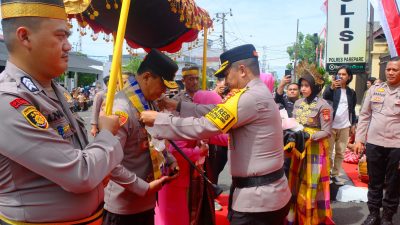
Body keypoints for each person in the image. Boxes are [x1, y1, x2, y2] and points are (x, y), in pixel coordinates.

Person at [0, 0, 124, 223]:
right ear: (25, 37)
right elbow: (81, 174)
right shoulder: (7, 100)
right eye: (60, 36)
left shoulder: (52, 89)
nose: (68, 46)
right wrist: (106, 134)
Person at [141, 44, 291, 225]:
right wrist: (178, 106)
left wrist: (160, 119)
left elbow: (207, 125)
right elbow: (216, 110)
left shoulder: (249, 98)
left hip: (258, 202)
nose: (226, 81)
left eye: (227, 74)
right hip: (267, 195)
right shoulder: (257, 93)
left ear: (242, 70)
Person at [102, 49, 179, 225]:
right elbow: (109, 162)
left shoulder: (148, 102)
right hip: (123, 207)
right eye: (163, 85)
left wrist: (169, 158)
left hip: (147, 200)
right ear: (146, 77)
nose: (164, 91)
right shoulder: (121, 108)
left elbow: (155, 140)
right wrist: (143, 187)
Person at [354, 57, 400, 225]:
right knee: (374, 181)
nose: (390, 72)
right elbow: (365, 116)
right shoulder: (375, 90)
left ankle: (388, 215)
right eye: (388, 69)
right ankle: (373, 213)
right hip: (374, 144)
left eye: (395, 69)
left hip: (396, 146)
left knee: (394, 183)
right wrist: (359, 139)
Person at [287, 69, 334, 225]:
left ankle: (311, 217)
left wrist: (309, 136)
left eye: (307, 85)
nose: (303, 89)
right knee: (295, 180)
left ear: (314, 86)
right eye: (301, 85)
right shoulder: (298, 103)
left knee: (312, 183)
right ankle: (295, 215)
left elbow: (326, 131)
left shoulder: (323, 105)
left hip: (314, 148)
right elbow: (293, 124)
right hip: (299, 148)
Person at [323, 65, 357, 186]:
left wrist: (353, 124)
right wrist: (331, 87)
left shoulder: (351, 92)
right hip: (331, 126)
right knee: (328, 152)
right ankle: (326, 174)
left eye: (344, 74)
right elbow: (324, 98)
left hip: (344, 126)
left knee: (340, 152)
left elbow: (352, 109)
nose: (341, 76)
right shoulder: (332, 89)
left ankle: (335, 174)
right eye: (339, 74)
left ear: (348, 77)